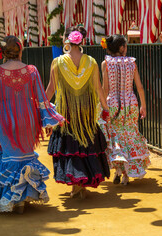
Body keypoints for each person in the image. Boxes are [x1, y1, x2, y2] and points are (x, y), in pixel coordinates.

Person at [0, 36, 64, 213]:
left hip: (5, 120)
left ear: (3, 53)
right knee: (26, 157)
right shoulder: (31, 70)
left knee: (11, 158)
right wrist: (48, 119)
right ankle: (24, 199)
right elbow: (41, 97)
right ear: (20, 50)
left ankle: (14, 199)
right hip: (28, 119)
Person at [46, 26, 110, 199]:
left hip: (66, 110)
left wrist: (43, 108)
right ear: (82, 41)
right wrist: (105, 108)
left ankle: (75, 184)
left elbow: (51, 89)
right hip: (86, 112)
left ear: (67, 40)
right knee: (85, 144)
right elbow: (98, 88)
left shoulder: (58, 62)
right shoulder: (91, 62)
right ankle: (83, 184)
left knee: (70, 146)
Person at [100, 35, 150, 185]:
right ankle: (127, 174)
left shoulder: (106, 63)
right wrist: (143, 105)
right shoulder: (131, 62)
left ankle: (118, 170)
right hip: (131, 103)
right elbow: (139, 87)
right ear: (122, 48)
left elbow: (105, 88)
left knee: (115, 137)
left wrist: (103, 106)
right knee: (130, 135)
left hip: (113, 103)